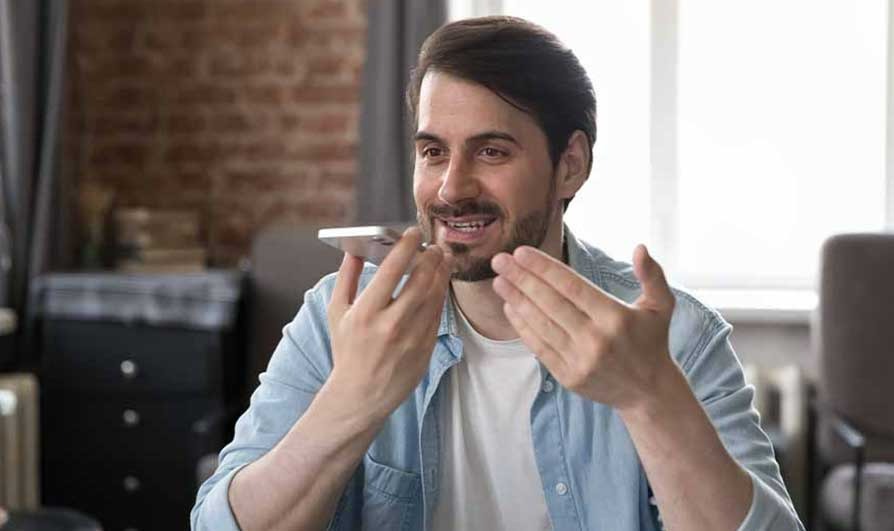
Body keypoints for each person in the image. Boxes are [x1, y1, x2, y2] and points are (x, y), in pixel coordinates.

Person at [192, 16, 804, 531]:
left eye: (491, 151)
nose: (451, 188)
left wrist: (650, 399)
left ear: (570, 166)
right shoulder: (343, 319)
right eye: (433, 151)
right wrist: (350, 401)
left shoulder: (670, 339)